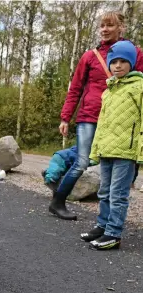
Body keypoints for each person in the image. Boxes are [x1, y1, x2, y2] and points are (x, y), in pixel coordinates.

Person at [49, 11, 143, 221]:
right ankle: (58, 201)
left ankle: (111, 217)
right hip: (90, 115)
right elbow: (75, 88)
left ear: (121, 27)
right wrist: (66, 117)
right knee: (83, 161)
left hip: (122, 118)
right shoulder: (90, 56)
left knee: (122, 163)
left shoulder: (135, 53)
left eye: (109, 25)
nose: (104, 29)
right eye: (101, 25)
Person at [81, 41, 143, 250]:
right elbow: (102, 124)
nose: (117, 65)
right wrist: (95, 150)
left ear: (131, 63)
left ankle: (113, 234)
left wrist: (140, 152)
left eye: (123, 61)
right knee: (104, 192)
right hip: (107, 149)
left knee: (118, 195)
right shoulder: (108, 91)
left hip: (126, 152)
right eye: (113, 61)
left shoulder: (139, 88)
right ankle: (102, 226)